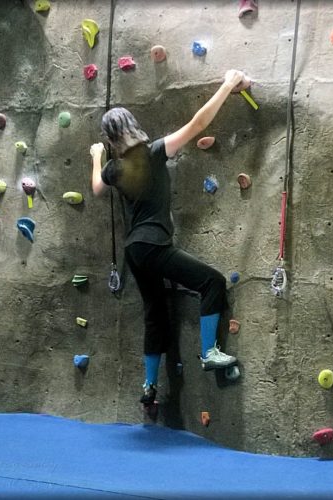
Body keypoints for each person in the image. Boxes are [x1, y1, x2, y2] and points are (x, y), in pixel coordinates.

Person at [90, 69, 245, 405]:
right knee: (212, 282)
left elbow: (97, 188)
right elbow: (198, 124)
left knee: (155, 313)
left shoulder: (113, 169)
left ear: (110, 138)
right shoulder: (155, 151)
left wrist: (96, 157)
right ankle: (208, 353)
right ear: (133, 125)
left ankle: (149, 387)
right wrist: (228, 85)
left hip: (135, 251)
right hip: (154, 243)